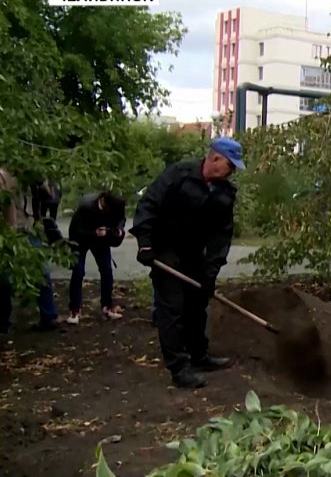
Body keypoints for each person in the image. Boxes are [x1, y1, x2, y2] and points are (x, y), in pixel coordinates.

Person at [130, 138, 243, 388]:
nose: (232, 171)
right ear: (214, 158)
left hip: (193, 252)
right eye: (230, 165)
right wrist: (145, 243)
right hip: (165, 249)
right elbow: (149, 204)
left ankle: (198, 356)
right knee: (172, 307)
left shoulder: (225, 193)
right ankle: (179, 368)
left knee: (197, 302)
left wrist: (211, 272)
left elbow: (221, 235)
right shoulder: (179, 174)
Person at [0, 168, 60, 336]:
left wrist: (41, 182)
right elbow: (7, 205)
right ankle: (3, 322)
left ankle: (48, 317)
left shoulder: (32, 172)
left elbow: (50, 197)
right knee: (4, 276)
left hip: (30, 228)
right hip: (10, 231)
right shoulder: (3, 175)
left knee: (41, 272)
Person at [66, 191, 128, 324]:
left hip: (101, 240)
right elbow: (75, 231)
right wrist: (94, 233)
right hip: (82, 239)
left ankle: (107, 306)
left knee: (107, 271)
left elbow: (121, 218)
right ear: (104, 202)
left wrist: (118, 229)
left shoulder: (115, 206)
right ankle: (75, 309)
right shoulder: (85, 208)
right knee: (78, 271)